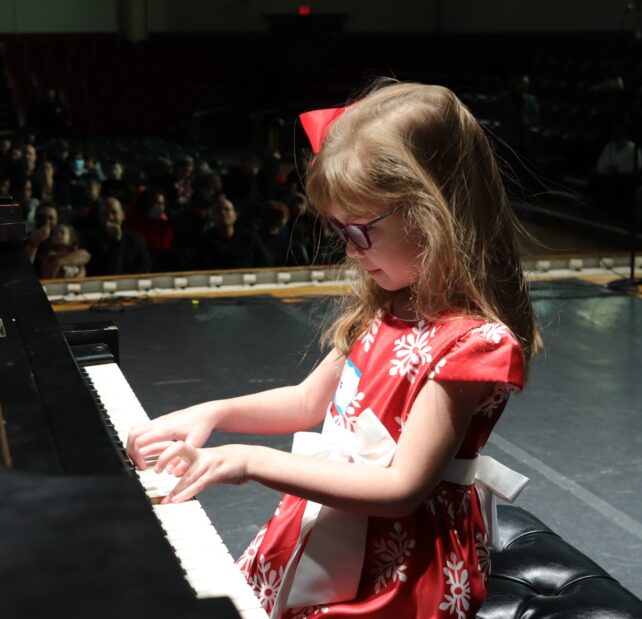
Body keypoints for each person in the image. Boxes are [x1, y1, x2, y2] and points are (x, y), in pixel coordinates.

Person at [126, 82, 541, 618]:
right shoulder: (388, 306)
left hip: (399, 569)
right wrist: (214, 412)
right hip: (335, 525)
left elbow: (400, 488)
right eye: (337, 228)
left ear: (434, 213)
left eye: (360, 230)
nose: (348, 248)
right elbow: (308, 401)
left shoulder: (473, 343)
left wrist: (248, 461)